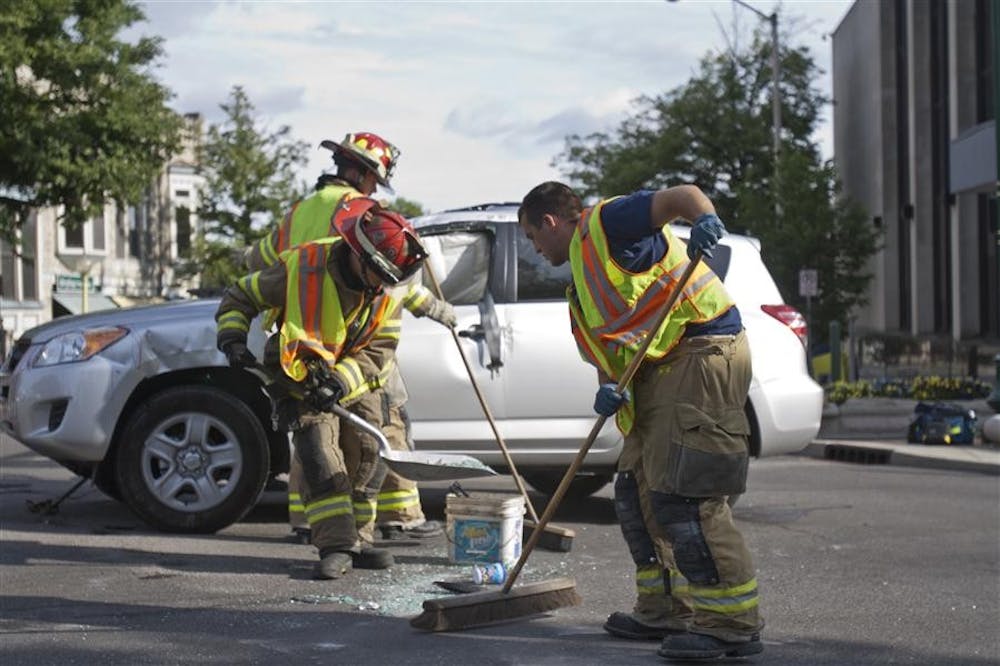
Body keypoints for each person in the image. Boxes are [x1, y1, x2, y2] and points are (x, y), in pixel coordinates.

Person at [517, 181, 763, 661]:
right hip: (659, 368)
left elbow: (681, 196)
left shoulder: (606, 225)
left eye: (531, 237)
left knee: (686, 495)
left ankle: (731, 623)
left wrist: (704, 218)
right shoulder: (582, 279)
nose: (534, 249)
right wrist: (608, 388)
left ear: (549, 221)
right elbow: (616, 341)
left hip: (702, 349)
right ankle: (665, 608)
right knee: (635, 491)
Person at [245, 132, 452, 542]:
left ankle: (312, 522)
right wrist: (431, 306)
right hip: (356, 333)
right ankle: (397, 518)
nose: (375, 187)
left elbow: (256, 260)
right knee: (384, 418)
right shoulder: (363, 211)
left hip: (303, 336)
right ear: (359, 172)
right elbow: (390, 278)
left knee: (315, 430)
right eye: (374, 178)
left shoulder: (297, 211)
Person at [216, 196, 428, 580]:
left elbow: (380, 348)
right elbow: (240, 295)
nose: (382, 286)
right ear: (357, 255)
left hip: (359, 379)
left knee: (369, 455)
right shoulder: (301, 267)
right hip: (300, 377)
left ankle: (359, 541)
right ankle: (335, 545)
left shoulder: (388, 286)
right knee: (320, 456)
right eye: (378, 275)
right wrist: (231, 336)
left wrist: (340, 380)